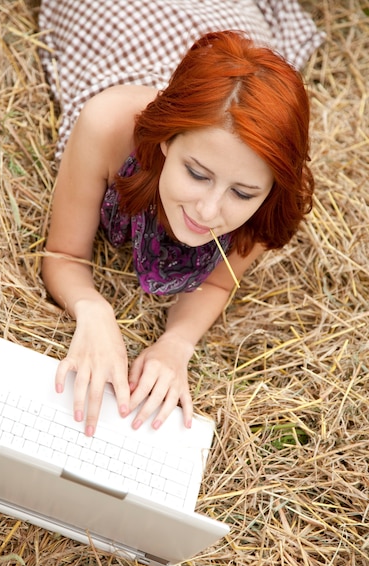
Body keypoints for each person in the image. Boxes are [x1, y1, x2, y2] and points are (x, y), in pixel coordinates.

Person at [38, 0, 324, 437]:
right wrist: (93, 311)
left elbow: (218, 279)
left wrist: (177, 343)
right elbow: (62, 254)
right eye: (197, 173)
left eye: (242, 193)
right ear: (166, 140)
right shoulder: (107, 125)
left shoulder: (272, 189)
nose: (209, 211)